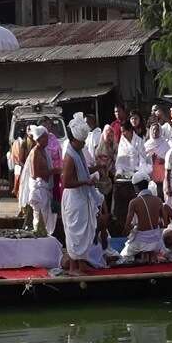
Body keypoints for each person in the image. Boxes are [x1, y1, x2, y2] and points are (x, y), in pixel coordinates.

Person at [61, 113, 108, 275]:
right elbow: (66, 182)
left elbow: (84, 172)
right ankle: (73, 267)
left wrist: (98, 167)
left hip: (81, 198)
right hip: (74, 199)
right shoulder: (69, 156)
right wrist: (85, 182)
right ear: (75, 140)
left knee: (83, 233)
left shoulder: (78, 152)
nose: (84, 143)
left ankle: (81, 264)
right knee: (75, 233)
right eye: (82, 141)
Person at [120, 171, 168, 263]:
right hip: (157, 241)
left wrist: (127, 232)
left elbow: (127, 226)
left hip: (140, 242)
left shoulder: (134, 202)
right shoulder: (158, 200)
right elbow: (165, 223)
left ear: (135, 187)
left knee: (122, 257)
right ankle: (150, 255)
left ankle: (144, 256)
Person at [26, 125, 58, 236]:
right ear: (39, 139)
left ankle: (46, 239)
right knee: (40, 220)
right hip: (39, 190)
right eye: (45, 138)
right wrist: (52, 171)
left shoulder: (44, 151)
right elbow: (35, 174)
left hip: (46, 189)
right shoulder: (35, 152)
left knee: (47, 219)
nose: (48, 140)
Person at [144, 123, 169, 199]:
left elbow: (170, 157)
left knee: (161, 194)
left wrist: (163, 159)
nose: (155, 131)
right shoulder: (147, 144)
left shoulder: (164, 144)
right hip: (150, 173)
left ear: (160, 131)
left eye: (157, 130)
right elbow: (143, 158)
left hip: (161, 173)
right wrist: (150, 157)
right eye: (153, 129)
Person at [10, 128, 28, 198]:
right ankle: (18, 194)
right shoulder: (19, 142)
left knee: (19, 180)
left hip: (19, 164)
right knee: (18, 180)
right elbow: (15, 154)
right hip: (19, 164)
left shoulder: (17, 142)